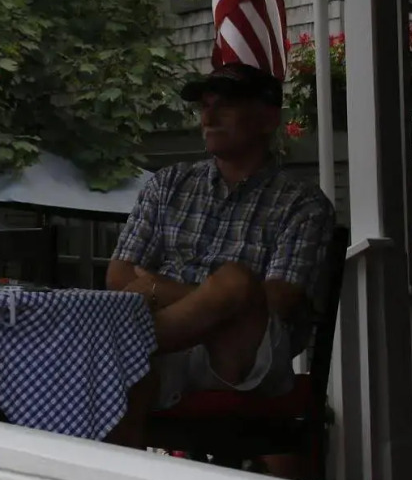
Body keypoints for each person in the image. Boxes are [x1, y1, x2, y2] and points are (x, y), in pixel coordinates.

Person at [108, 61, 336, 411]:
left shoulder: (302, 202)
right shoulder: (167, 184)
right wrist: (208, 303)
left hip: (242, 357)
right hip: (169, 357)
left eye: (226, 105)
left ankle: (117, 343)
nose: (209, 117)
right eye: (205, 106)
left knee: (235, 282)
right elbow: (119, 276)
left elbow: (275, 300)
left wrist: (159, 287)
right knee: (115, 384)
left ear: (268, 120)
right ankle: (131, 349)